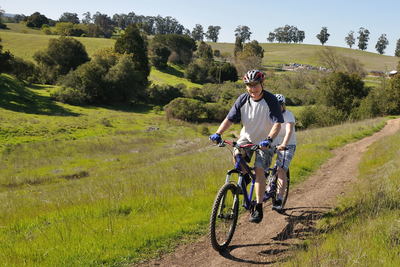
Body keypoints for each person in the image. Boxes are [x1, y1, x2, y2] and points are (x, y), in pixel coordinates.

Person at [209, 69, 283, 223]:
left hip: (266, 142)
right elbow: (229, 119)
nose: (252, 89)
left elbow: (277, 124)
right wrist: (218, 133)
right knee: (237, 156)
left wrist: (269, 139)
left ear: (262, 84)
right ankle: (249, 178)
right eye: (249, 85)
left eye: (255, 85)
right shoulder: (243, 99)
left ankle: (258, 207)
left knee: (259, 170)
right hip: (246, 139)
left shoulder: (270, 100)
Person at [269, 93, 297, 211]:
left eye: (279, 105)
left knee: (281, 169)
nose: (276, 107)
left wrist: (284, 144)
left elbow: (289, 130)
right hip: (272, 144)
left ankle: (279, 199)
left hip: (287, 145)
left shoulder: (288, 115)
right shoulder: (269, 116)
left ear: (283, 105)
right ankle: (268, 186)